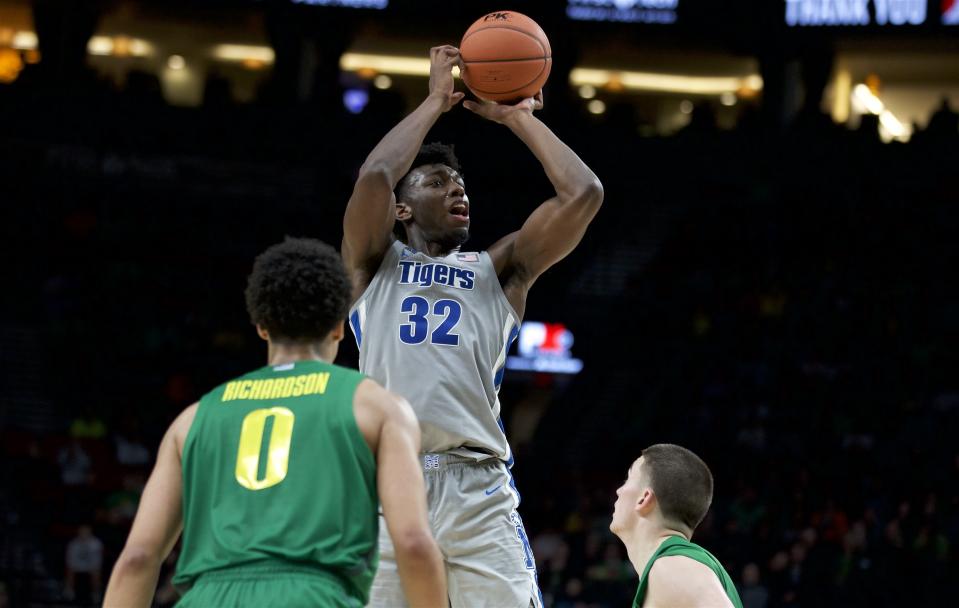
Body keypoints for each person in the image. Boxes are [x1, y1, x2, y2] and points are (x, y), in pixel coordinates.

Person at [342, 45, 603, 607]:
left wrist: (518, 117)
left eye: (461, 182)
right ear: (403, 210)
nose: (458, 188)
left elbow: (584, 193)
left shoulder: (500, 268)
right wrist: (435, 101)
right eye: (437, 182)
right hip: (391, 485)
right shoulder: (372, 265)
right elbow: (375, 176)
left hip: (477, 488)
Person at [103, 238, 446, 608]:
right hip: (314, 596)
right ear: (338, 327)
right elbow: (412, 544)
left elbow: (138, 559)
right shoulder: (379, 407)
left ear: (262, 327)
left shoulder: (191, 420)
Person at [610, 443, 743, 608]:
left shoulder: (671, 566)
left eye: (627, 479)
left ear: (643, 498)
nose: (618, 491)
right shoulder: (673, 567)